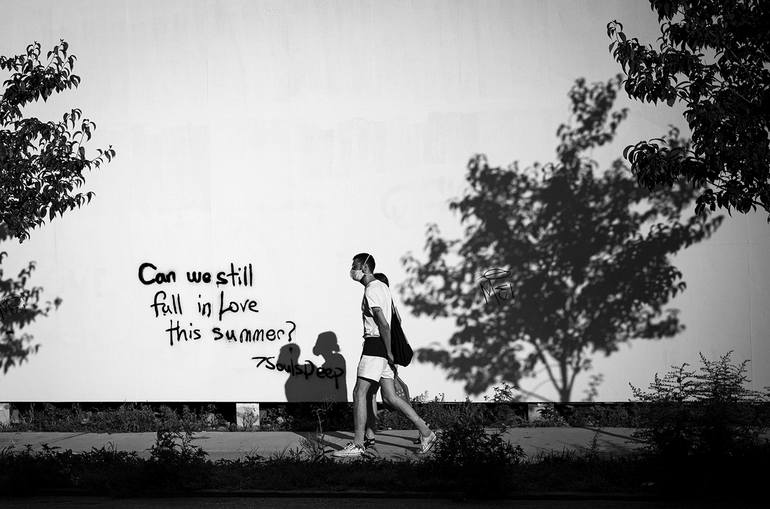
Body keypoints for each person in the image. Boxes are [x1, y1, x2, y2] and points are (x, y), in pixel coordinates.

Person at [332, 253, 437, 458]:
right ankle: (426, 432)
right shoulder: (383, 288)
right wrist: (389, 352)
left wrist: (387, 351)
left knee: (359, 392)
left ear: (365, 267)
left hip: (375, 345)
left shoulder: (372, 289)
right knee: (389, 396)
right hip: (382, 347)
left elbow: (383, 323)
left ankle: (358, 444)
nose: (352, 270)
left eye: (354, 266)